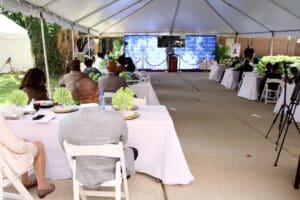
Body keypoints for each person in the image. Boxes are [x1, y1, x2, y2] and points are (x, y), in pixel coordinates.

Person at [59, 77, 137, 188]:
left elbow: (64, 149)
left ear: (75, 96)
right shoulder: (117, 118)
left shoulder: (64, 122)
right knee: (132, 151)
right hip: (111, 172)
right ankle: (120, 177)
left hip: (82, 174)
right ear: (98, 93)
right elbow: (123, 141)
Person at [0, 116, 55, 198]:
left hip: (3, 157)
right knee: (39, 145)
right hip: (5, 166)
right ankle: (42, 187)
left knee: (24, 142)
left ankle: (26, 182)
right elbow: (16, 146)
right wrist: (24, 145)